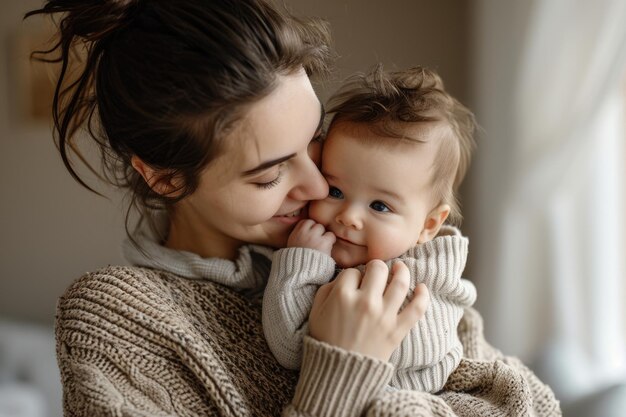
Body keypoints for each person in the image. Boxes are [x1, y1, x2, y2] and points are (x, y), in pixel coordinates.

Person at [25, 0, 561, 416]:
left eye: (314, 142)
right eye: (270, 172)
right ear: (165, 177)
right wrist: (341, 369)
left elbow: (530, 401)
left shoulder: (378, 258)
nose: (315, 185)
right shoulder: (119, 321)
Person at [263, 65, 477, 393]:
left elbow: (292, 348)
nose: (348, 216)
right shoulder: (385, 256)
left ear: (429, 225)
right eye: (335, 191)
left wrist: (302, 262)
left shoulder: (412, 290)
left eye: (379, 206)